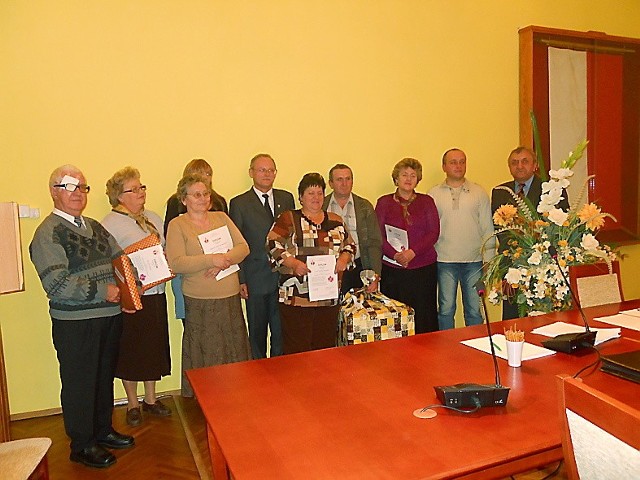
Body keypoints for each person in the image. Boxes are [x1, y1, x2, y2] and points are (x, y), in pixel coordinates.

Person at [29, 165, 134, 469]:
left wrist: (132, 286)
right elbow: (56, 283)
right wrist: (105, 291)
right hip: (76, 323)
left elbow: (120, 259)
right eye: (69, 186)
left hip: (109, 315)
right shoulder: (48, 233)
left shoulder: (94, 226)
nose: (77, 193)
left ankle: (102, 431)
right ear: (54, 191)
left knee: (102, 377)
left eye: (82, 187)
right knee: (79, 383)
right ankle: (82, 444)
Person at [165, 174, 251, 397]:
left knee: (233, 347)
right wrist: (211, 260)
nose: (203, 198)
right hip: (200, 301)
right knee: (207, 351)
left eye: (205, 193)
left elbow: (243, 247)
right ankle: (209, 396)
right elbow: (176, 263)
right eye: (196, 195)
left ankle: (234, 392)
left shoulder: (221, 217)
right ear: (184, 199)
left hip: (230, 297)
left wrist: (225, 260)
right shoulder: (178, 225)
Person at [102, 167, 172, 427]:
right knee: (130, 350)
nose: (141, 193)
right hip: (131, 297)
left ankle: (151, 399)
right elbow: (109, 264)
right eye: (135, 189)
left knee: (153, 346)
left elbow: (164, 250)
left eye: (142, 187)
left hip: (156, 293)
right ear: (120, 196)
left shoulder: (152, 217)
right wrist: (125, 289)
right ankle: (132, 403)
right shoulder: (108, 224)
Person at [267, 172, 356, 354]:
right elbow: (271, 244)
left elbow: (350, 245)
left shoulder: (336, 220)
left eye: (319, 193)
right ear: (300, 197)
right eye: (310, 193)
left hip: (328, 297)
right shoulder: (288, 218)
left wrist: (343, 259)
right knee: (297, 348)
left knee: (324, 348)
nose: (316, 197)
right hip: (297, 298)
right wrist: (293, 263)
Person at [229, 154, 295, 359]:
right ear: (251, 173)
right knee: (257, 332)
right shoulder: (239, 203)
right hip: (255, 277)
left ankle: (280, 372)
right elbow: (236, 242)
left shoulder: (286, 198)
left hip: (284, 277)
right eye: (261, 170)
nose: (267, 174)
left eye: (271, 170)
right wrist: (240, 279)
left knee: (282, 331)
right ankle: (257, 373)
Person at [491, 146, 569, 319]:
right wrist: (515, 252)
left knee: (542, 314)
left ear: (535, 165)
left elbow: (562, 225)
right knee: (512, 316)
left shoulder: (551, 190)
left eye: (525, 161)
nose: (519, 166)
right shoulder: (499, 192)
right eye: (514, 163)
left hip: (543, 264)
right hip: (511, 262)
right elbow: (499, 229)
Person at [428, 149, 495, 330]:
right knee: (446, 309)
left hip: (474, 261)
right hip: (444, 260)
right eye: (453, 162)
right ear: (444, 166)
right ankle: (446, 348)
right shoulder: (433, 194)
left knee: (474, 311)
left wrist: (489, 259)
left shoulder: (479, 192)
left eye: (462, 161)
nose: (458, 166)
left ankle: (476, 346)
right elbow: (429, 229)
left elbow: (487, 227)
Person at [375, 158, 440, 334]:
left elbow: (433, 233)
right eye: (404, 175)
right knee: (396, 317)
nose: (408, 179)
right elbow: (378, 235)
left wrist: (412, 252)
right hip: (393, 269)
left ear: (418, 179)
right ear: (396, 178)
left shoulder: (427, 202)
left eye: (413, 175)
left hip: (423, 268)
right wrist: (396, 255)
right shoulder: (384, 202)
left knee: (424, 315)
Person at [164, 159, 227, 323]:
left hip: (219, 269)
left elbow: (229, 240)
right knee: (193, 321)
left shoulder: (219, 202)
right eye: (199, 173)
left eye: (208, 174)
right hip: (188, 270)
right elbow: (169, 237)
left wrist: (219, 263)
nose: (204, 177)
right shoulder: (175, 202)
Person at [323, 164, 382, 295]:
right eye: (339, 179)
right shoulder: (321, 205)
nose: (344, 183)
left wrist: (375, 274)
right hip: (329, 269)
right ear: (331, 183)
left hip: (359, 267)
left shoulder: (364, 207)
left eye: (348, 179)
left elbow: (374, 243)